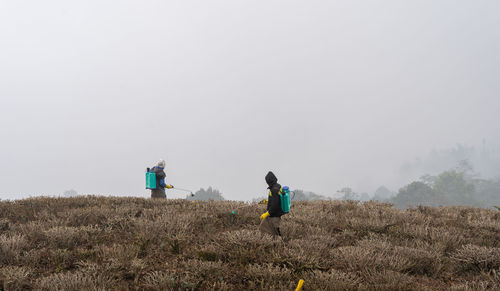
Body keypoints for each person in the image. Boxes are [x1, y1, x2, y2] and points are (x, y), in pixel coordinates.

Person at [259, 171, 284, 237]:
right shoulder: (277, 186)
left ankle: (279, 245)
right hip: (273, 215)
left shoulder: (274, 189)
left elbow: (275, 205)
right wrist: (267, 201)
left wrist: (266, 214)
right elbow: (276, 200)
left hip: (274, 216)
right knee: (263, 228)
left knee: (276, 234)